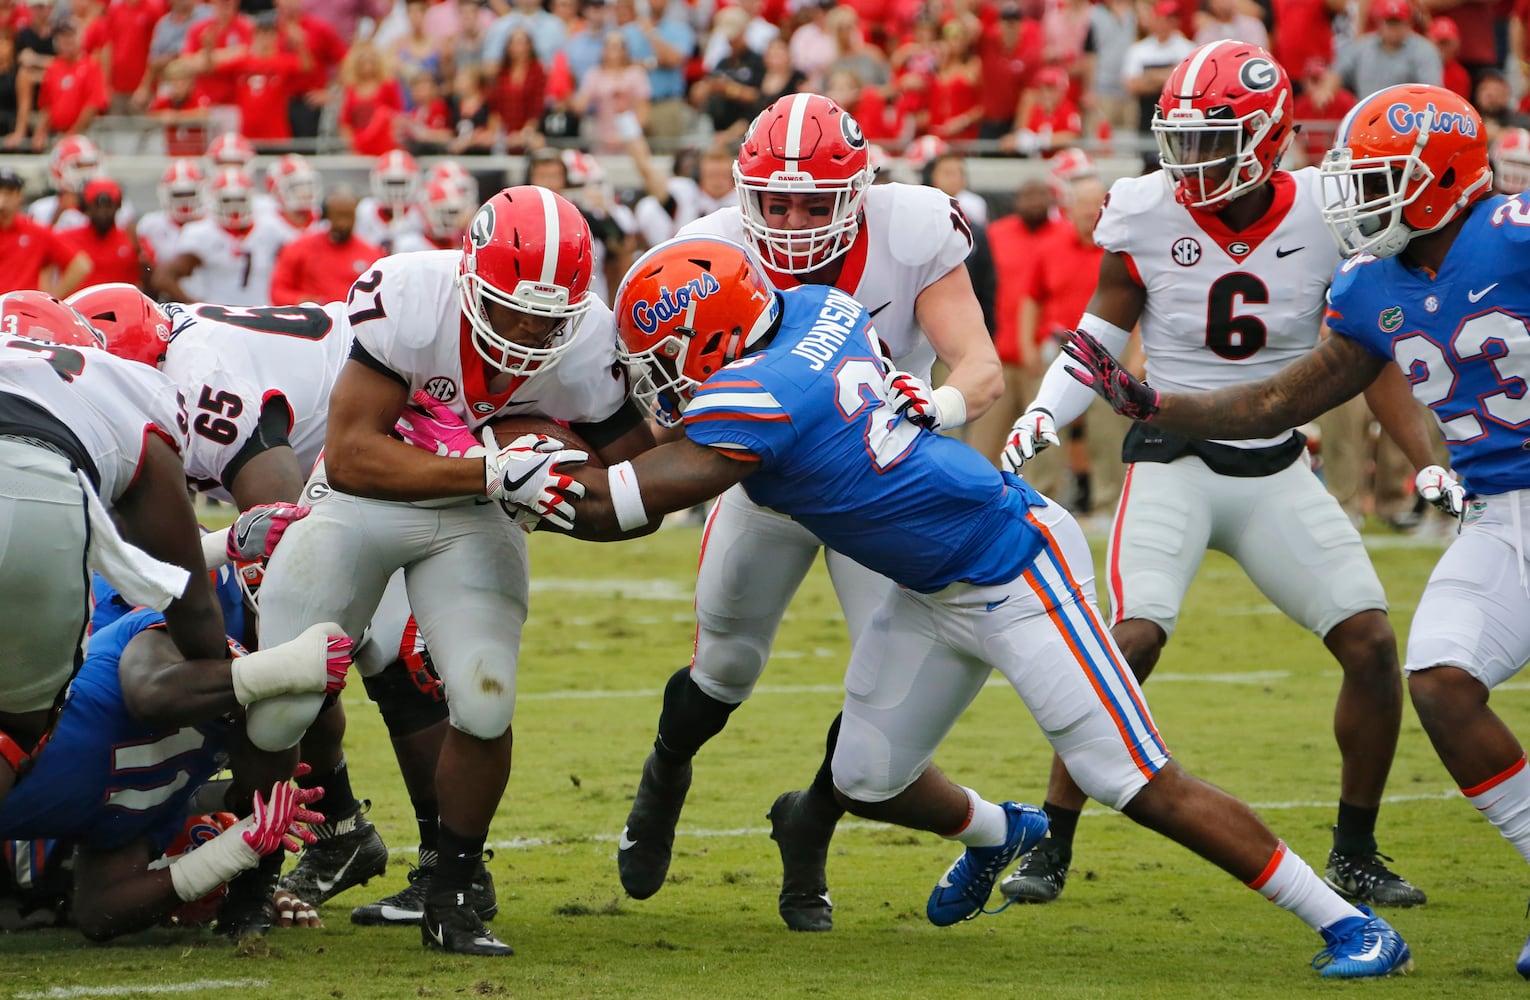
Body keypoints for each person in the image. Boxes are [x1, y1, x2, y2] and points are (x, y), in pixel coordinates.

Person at [425, 232, 1413, 980]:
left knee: (1129, 777)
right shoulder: (815, 306)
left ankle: (1345, 919)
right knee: (863, 771)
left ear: (718, 335)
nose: (661, 378)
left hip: (1017, 567)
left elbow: (621, 510)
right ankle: (1003, 831)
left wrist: (509, 477)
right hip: (927, 578)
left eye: (669, 354)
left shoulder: (756, 400)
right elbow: (694, 444)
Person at [1056, 80, 1530, 978]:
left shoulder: (1515, 232)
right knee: (1436, 681)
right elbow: (1278, 399)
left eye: (1379, 176)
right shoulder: (1370, 284)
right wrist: (1159, 401)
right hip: (1501, 513)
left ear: (1442, 176)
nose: (1353, 196)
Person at [996, 41, 1429, 910]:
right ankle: (1053, 836)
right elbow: (1097, 337)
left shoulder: (1327, 208)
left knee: (1374, 646)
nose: (1188, 163)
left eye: (1212, 142)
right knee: (1132, 641)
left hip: (1276, 467)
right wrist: (1046, 409)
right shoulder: (1146, 210)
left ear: (1269, 138)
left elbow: (1368, 351)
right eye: (1180, 140)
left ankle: (1356, 848)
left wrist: (1425, 464)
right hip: (1171, 459)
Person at [614, 93, 1003, 934]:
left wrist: (931, 405)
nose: (792, 221)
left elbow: (980, 366)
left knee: (884, 693)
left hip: (877, 488)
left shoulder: (911, 230)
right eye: (776, 201)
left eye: (816, 201)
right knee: (725, 669)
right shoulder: (707, 251)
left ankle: (811, 822)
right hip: (765, 487)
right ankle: (665, 771)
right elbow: (662, 403)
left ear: (859, 191)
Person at [253, 185, 655, 955]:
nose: (528, 332)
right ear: (469, 277)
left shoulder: (587, 343)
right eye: (510, 309)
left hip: (476, 517)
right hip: (365, 500)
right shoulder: (409, 294)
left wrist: (563, 491)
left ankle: (453, 889)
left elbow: (633, 485)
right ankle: (259, 864)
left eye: (549, 317)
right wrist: (493, 472)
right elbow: (352, 454)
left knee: (484, 698)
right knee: (278, 704)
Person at [66, 283, 453, 928]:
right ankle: (337, 830)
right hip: (341, 458)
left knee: (367, 647)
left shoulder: (198, 382)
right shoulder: (166, 359)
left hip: (405, 426)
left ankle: (451, 871)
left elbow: (282, 524)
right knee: (289, 647)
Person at [0, 568, 350, 941]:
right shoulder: (160, 642)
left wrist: (234, 851)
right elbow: (149, 695)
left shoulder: (168, 799)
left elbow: (99, 908)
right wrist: (283, 669)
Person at [0, 290, 230, 813]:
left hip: (38, 482)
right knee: (14, 724)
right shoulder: (120, 379)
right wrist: (217, 674)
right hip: (35, 486)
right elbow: (186, 593)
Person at [154, 166, 290, 306]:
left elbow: (295, 266)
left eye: (240, 200)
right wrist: (193, 306)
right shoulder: (202, 232)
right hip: (219, 316)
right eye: (227, 200)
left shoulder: (270, 228)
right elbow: (164, 278)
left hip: (262, 312)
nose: (234, 207)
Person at [270, 188, 383, 306]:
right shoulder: (299, 248)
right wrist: (302, 302)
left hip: (353, 322)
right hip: (314, 321)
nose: (343, 223)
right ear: (326, 215)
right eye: (338, 216)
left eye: (348, 216)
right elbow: (277, 292)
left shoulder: (372, 254)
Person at [0, 167, 88, 295]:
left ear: (19, 196)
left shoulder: (35, 231)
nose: (2, 200)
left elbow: (80, 265)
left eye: (8, 193)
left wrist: (52, 300)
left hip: (22, 308)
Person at [57, 177, 142, 290]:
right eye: (97, 205)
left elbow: (150, 285)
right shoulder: (65, 238)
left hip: (122, 304)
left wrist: (140, 251)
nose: (103, 212)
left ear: (118, 205)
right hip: (78, 305)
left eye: (109, 205)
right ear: (86, 206)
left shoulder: (132, 239)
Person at [135, 158, 205, 269]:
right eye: (178, 194)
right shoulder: (150, 225)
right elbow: (147, 269)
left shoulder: (211, 224)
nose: (184, 200)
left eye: (189, 193)